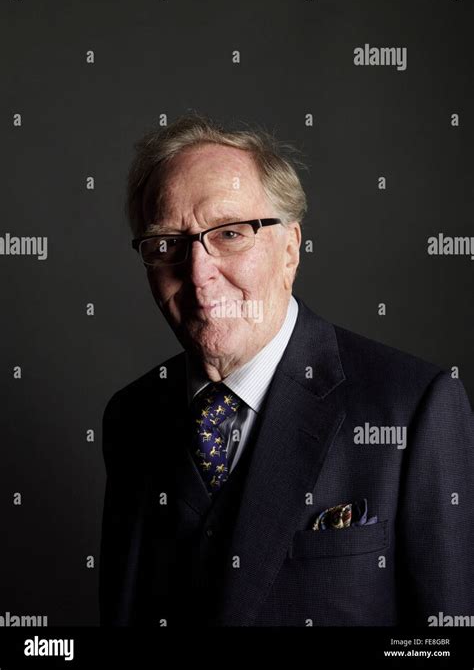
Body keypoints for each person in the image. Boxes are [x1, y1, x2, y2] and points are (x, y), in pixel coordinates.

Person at [99, 113, 474, 626]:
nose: (199, 275)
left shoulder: (413, 408)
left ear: (290, 250)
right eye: (167, 245)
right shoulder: (131, 416)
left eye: (230, 234)